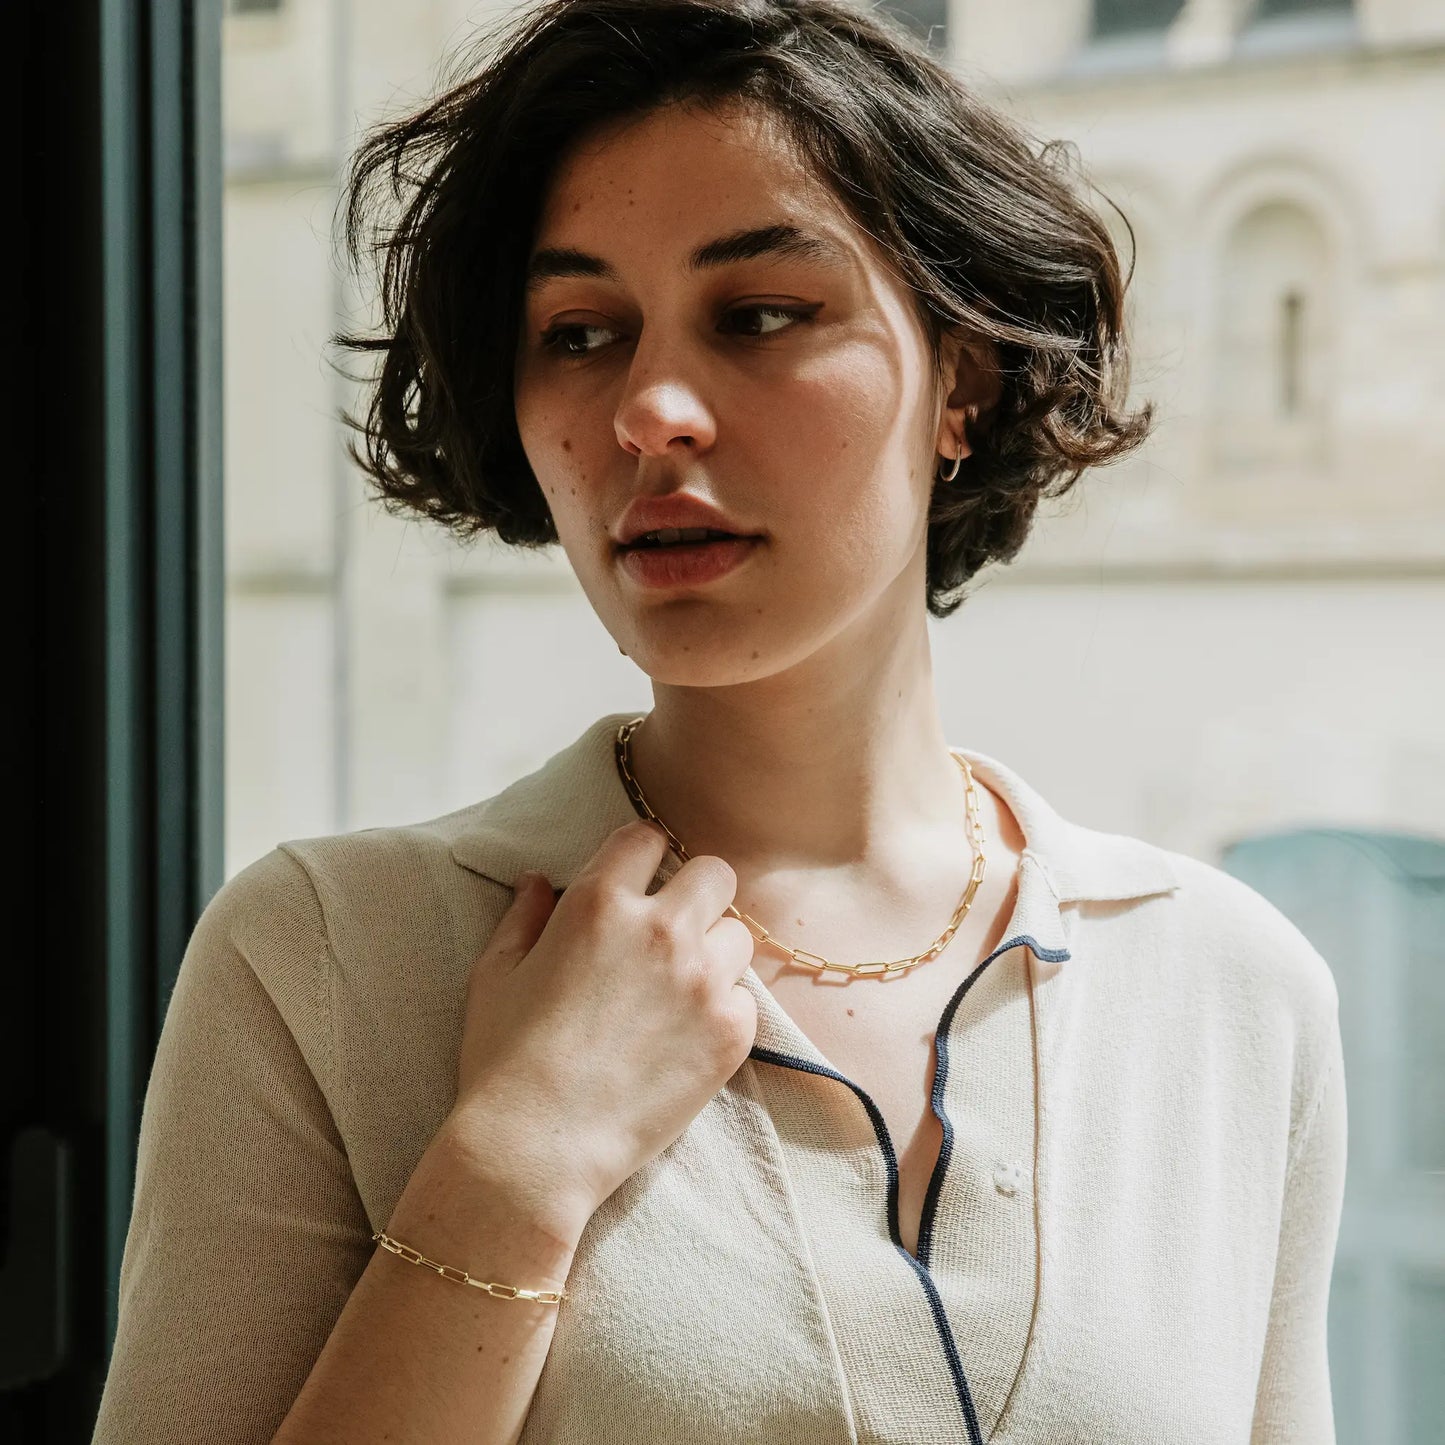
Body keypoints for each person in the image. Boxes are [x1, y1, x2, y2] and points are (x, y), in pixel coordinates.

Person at [92, 2, 1346, 1442]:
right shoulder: (324, 957)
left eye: (759, 314)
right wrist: (515, 1162)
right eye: (580, 333)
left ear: (963, 377)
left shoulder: (1230, 990)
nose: (650, 411)